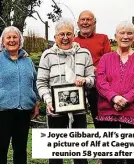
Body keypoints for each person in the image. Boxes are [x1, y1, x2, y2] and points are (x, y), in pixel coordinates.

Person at [37, 18, 95, 164]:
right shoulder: (48, 55)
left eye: (68, 34)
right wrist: (49, 101)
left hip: (79, 110)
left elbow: (92, 79)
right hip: (55, 110)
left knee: (80, 154)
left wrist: (85, 80)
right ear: (55, 37)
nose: (65, 38)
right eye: (61, 34)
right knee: (56, 155)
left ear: (74, 35)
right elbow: (41, 83)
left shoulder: (84, 54)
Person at [96, 21, 134, 164]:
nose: (125, 36)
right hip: (108, 112)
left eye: (129, 33)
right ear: (115, 36)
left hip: (132, 112)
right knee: (109, 158)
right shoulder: (105, 58)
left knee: (132, 157)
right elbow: (100, 82)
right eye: (122, 33)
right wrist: (114, 97)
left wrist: (126, 99)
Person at [0, 26, 40, 164]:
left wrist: (36, 102)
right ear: (2, 41)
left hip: (24, 111)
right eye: (8, 37)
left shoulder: (28, 61)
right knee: (0, 149)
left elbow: (34, 83)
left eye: (15, 37)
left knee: (20, 149)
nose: (11, 40)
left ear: (20, 40)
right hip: (2, 112)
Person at [74, 10, 112, 128]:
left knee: (100, 121)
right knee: (77, 121)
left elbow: (109, 61)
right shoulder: (72, 41)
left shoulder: (103, 38)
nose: (85, 22)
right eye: (83, 20)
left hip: (98, 86)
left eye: (88, 19)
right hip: (77, 86)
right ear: (78, 23)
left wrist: (94, 70)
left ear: (94, 22)